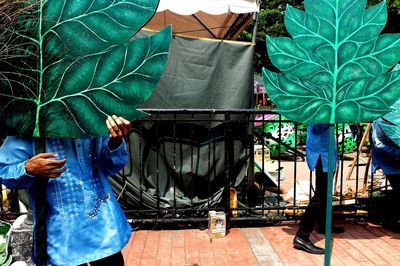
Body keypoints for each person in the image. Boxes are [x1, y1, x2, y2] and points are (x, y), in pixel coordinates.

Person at [0, 115, 132, 266]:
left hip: (103, 226)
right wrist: (27, 169)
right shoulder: (28, 129)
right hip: (61, 233)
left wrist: (115, 142)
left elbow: (109, 166)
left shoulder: (90, 120)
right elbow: (4, 170)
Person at [293, 124, 344, 254]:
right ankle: (302, 236)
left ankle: (323, 224)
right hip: (322, 154)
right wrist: (330, 120)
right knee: (320, 195)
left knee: (326, 193)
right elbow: (317, 128)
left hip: (327, 153)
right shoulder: (322, 107)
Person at [371, 119, 400, 224]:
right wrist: (397, 152)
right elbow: (378, 143)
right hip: (389, 161)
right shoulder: (379, 122)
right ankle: (391, 218)